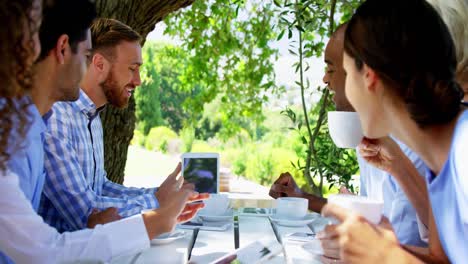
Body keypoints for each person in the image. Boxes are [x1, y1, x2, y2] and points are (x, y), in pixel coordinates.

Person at [0, 1, 205, 263]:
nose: (139, 80)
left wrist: (157, 200)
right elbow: (64, 233)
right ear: (62, 49)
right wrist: (157, 214)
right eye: (86, 56)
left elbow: (98, 192)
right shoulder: (31, 128)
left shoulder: (32, 124)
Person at [269, 23, 428, 262]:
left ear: (368, 74)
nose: (324, 79)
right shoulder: (376, 142)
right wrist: (303, 198)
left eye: (331, 68)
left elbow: (396, 246)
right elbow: (375, 226)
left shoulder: (419, 145)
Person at [322, 0, 466, 262]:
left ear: (369, 75)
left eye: (344, 70)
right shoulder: (440, 162)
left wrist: (388, 256)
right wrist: (378, 244)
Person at [39, 18, 189, 231]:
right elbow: (85, 213)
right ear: (99, 64)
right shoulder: (56, 118)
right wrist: (158, 204)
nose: (137, 81)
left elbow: (101, 188)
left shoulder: (92, 118)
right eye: (132, 68)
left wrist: (159, 195)